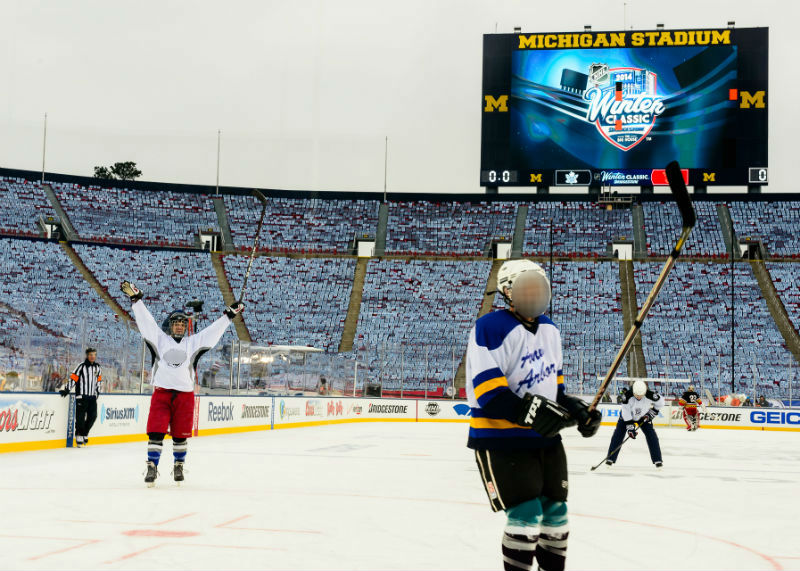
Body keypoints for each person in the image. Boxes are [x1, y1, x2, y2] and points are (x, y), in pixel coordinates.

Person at [466, 259, 601, 571]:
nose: (535, 293)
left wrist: (579, 411)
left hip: (544, 438)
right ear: (507, 292)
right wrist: (533, 413)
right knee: (525, 514)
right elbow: (490, 394)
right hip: (500, 438)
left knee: (556, 513)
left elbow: (555, 392)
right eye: (527, 287)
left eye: (540, 286)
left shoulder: (551, 330)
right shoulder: (490, 327)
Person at [120, 281, 243, 487]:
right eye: (176, 322)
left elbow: (212, 332)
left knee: (179, 436)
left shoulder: (192, 343)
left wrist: (228, 316)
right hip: (162, 394)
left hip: (185, 397)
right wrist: (136, 300)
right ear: (170, 325)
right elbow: (147, 322)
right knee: (156, 432)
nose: (179, 325)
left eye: (182, 323)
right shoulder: (159, 340)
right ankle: (152, 466)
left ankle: (178, 465)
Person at [605, 380, 664, 468]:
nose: (639, 397)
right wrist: (630, 428)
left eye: (641, 395)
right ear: (633, 391)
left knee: (652, 436)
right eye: (637, 395)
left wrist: (652, 413)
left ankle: (657, 460)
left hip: (643, 417)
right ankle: (610, 458)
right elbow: (625, 412)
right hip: (627, 417)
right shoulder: (626, 396)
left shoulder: (651, 395)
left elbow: (661, 403)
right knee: (618, 435)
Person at [59, 347, 102, 447]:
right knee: (80, 418)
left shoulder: (98, 368)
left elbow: (99, 382)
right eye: (90, 355)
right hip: (81, 396)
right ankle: (79, 434)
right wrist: (67, 389)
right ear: (87, 355)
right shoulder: (81, 366)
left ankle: (85, 433)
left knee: (93, 416)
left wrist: (97, 394)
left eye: (94, 355)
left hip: (92, 397)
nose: (92, 356)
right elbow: (73, 378)